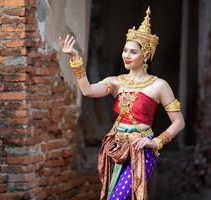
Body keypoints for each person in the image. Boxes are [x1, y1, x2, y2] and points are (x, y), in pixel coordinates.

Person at [60, 7, 185, 200]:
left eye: (133, 52)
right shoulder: (116, 82)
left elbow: (179, 122)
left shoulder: (159, 85)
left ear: (146, 55)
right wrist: (75, 59)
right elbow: (88, 90)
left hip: (142, 151)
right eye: (125, 50)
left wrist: (155, 142)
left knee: (117, 198)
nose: (127, 55)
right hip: (116, 148)